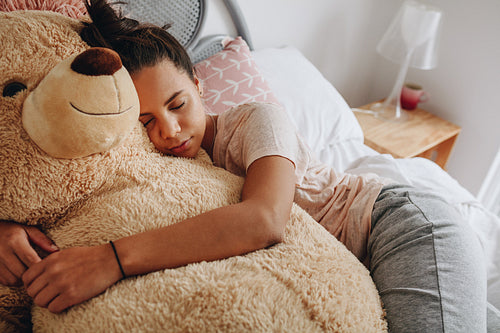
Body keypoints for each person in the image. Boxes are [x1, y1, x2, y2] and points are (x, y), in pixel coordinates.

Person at [0, 0, 490, 331]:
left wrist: (111, 259)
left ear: (200, 85)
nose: (168, 130)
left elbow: (264, 219)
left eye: (178, 103)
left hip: (399, 226)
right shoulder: (150, 155)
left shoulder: (257, 120)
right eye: (145, 119)